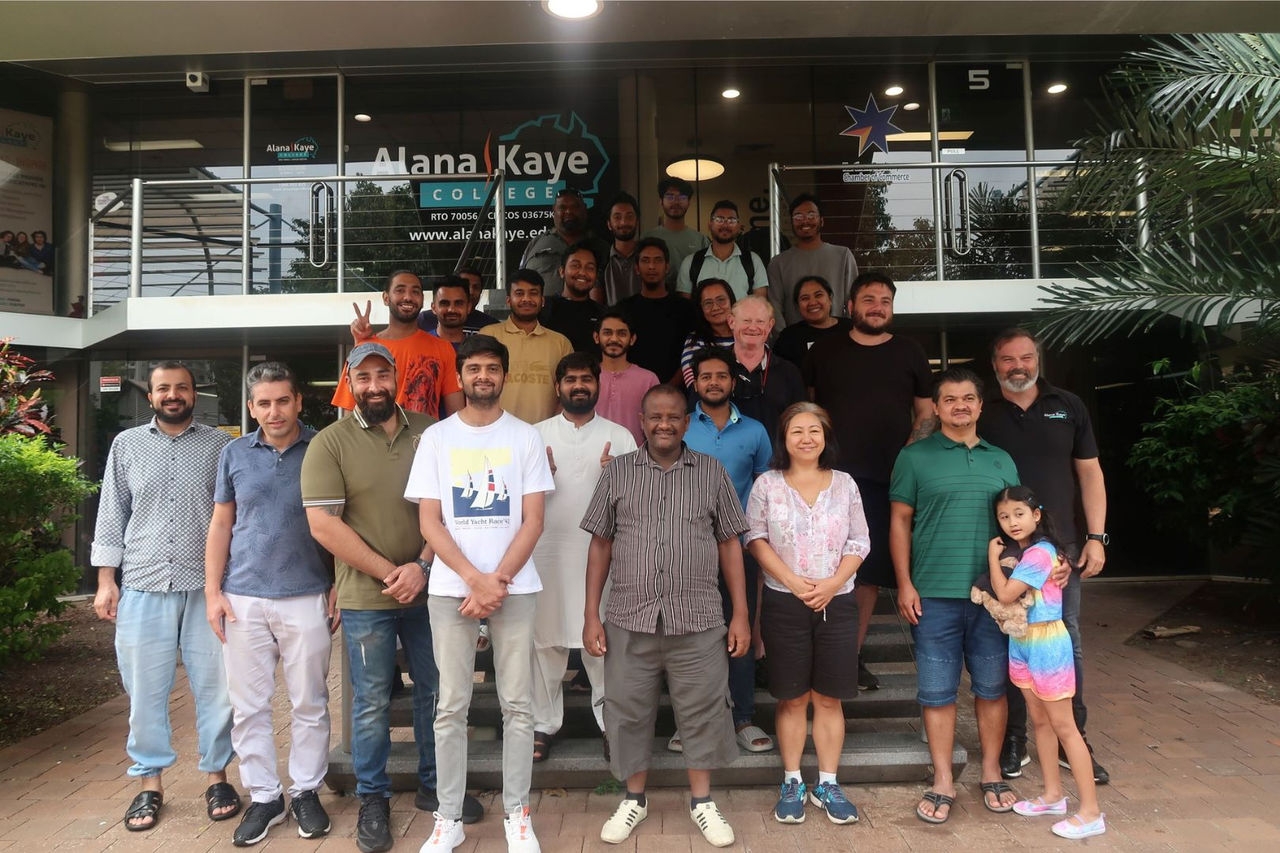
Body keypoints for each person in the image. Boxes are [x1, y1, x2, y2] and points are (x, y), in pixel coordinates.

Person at [303, 342, 482, 853]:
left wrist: (422, 566)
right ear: (350, 382)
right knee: (370, 703)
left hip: (435, 589)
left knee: (439, 693)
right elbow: (323, 524)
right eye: (364, 378)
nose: (375, 386)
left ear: (397, 377)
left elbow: (455, 504)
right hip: (365, 596)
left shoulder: (433, 431)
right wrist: (392, 573)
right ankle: (373, 799)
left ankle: (436, 787)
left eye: (383, 375)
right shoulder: (330, 443)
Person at [582, 384, 750, 849]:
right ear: (642, 419)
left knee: (703, 711)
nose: (664, 424)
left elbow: (730, 543)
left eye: (674, 416)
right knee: (628, 712)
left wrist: (740, 614)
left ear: (686, 421)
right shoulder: (617, 473)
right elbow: (600, 545)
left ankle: (702, 802)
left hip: (697, 618)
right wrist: (590, 616)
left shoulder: (711, 472)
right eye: (655, 416)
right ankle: (633, 798)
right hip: (629, 616)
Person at [406, 334, 555, 853]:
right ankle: (449, 817)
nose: (483, 376)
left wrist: (497, 583)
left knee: (519, 704)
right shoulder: (437, 439)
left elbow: (534, 520)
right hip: (452, 589)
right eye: (474, 368)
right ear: (462, 375)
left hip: (515, 587)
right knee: (451, 705)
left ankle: (518, 812)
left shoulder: (525, 438)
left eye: (492, 368)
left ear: (504, 375)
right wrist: (475, 579)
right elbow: (430, 520)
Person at [91, 361, 239, 833]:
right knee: (144, 693)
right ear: (150, 396)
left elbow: (235, 517)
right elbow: (112, 513)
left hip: (207, 588)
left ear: (196, 394)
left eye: (181, 388)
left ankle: (217, 776)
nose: (173, 395)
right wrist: (104, 580)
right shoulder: (126, 446)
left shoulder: (222, 447)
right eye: (163, 389)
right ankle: (149, 784)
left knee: (218, 689)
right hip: (141, 584)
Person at [204, 361, 336, 846]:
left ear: (299, 400)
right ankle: (264, 797)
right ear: (251, 407)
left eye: (283, 400)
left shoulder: (324, 447)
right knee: (248, 706)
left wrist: (338, 580)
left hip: (306, 592)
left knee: (309, 701)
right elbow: (221, 524)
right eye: (264, 403)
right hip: (243, 597)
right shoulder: (234, 453)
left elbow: (345, 519)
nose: (274, 411)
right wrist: (213, 592)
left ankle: (305, 790)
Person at [889, 366, 1020, 825]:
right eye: (950, 399)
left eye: (968, 398)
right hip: (934, 595)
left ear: (981, 406)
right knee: (938, 693)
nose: (960, 406)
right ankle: (943, 779)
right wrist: (904, 583)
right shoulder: (914, 458)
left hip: (992, 597)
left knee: (991, 688)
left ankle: (989, 773)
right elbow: (900, 522)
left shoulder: (1002, 459)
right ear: (937, 407)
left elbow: (1018, 526)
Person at [980, 327, 1111, 784]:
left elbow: (1090, 474)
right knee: (1013, 639)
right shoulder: (982, 411)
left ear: (1038, 360)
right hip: (1006, 551)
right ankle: (1017, 738)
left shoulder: (1068, 405)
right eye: (1008, 359)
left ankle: (1073, 735)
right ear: (994, 364)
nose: (1019, 366)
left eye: (1026, 358)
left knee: (1063, 639)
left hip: (1062, 550)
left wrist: (1097, 537)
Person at [804, 269, 935, 690]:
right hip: (827, 479)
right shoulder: (824, 352)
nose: (877, 307)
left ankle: (850, 656)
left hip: (886, 481)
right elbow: (808, 413)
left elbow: (927, 413)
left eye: (885, 301)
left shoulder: (911, 351)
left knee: (867, 574)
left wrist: (909, 458)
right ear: (850, 307)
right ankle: (811, 655)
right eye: (869, 300)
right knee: (816, 565)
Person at [746, 402, 869, 826]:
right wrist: (796, 584)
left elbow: (859, 542)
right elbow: (756, 538)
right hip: (785, 600)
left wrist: (833, 584)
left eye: (813, 430)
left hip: (838, 600)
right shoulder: (767, 484)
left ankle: (829, 783)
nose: (805, 438)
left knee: (829, 697)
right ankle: (793, 780)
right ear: (784, 438)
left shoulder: (846, 484)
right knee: (793, 697)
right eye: (796, 431)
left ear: (825, 436)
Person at [530, 353, 638, 763]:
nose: (579, 385)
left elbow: (637, 498)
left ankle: (612, 725)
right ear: (557, 387)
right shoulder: (534, 436)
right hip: (546, 554)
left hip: (602, 556)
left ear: (597, 385)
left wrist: (620, 471)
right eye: (571, 379)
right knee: (546, 642)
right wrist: (539, 473)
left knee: (603, 643)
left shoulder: (622, 436)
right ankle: (543, 724)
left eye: (586, 378)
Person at [987, 486, 1106, 840]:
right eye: (1004, 516)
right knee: (1040, 722)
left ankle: (1091, 812)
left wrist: (992, 560)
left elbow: (1006, 594)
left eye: (1019, 514)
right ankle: (1053, 795)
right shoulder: (1028, 553)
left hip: (1047, 642)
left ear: (1036, 515)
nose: (1012, 522)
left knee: (1064, 727)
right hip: (1021, 640)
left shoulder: (1040, 554)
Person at [682, 348, 774, 754]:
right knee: (690, 638)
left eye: (722, 376)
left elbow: (766, 488)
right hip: (686, 552)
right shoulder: (680, 427)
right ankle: (691, 721)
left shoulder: (755, 431)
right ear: (695, 382)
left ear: (733, 382)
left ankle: (742, 718)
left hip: (739, 548)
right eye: (706, 376)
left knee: (739, 630)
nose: (714, 383)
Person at [341, 269, 464, 419]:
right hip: (375, 441)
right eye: (400, 290)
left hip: (425, 440)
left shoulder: (443, 348)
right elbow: (349, 414)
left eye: (415, 292)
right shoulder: (363, 349)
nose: (408, 297)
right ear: (386, 298)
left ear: (422, 299)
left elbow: (456, 415)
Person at [477, 269, 573, 424]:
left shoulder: (560, 343)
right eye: (519, 293)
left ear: (542, 300)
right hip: (495, 435)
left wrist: (552, 428)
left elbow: (568, 391)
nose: (526, 299)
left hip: (544, 438)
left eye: (533, 293)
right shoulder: (488, 336)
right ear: (508, 300)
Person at [615, 237, 699, 385]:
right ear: (637, 268)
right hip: (632, 387)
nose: (652, 266)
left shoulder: (685, 309)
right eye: (645, 261)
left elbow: (693, 352)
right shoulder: (623, 309)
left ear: (667, 267)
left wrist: (670, 387)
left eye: (658, 260)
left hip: (676, 391)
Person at [766, 194, 857, 328]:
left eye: (811, 215)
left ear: (821, 220)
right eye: (798, 217)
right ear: (791, 222)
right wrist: (785, 339)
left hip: (837, 339)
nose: (805, 221)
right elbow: (774, 308)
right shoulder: (778, 263)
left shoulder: (843, 255)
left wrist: (848, 335)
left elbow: (853, 301)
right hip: (795, 341)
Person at [727, 295, 805, 441]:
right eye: (746, 321)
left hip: (775, 460)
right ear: (731, 322)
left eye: (760, 322)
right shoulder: (715, 368)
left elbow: (800, 422)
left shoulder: (789, 372)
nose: (752, 327)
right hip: (724, 460)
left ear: (770, 326)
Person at [519, 187, 607, 298]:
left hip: (587, 314)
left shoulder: (601, 247)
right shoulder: (536, 244)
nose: (569, 211)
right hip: (542, 314)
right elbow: (520, 281)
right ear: (554, 210)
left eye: (575, 207)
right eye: (562, 207)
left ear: (584, 209)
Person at [675, 200, 768, 300]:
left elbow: (760, 305)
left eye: (731, 220)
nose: (725, 225)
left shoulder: (753, 261)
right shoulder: (691, 262)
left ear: (738, 226)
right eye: (719, 220)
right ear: (710, 224)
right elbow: (685, 308)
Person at [594, 309, 659, 444]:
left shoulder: (648, 380)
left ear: (632, 339)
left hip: (635, 460)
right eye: (607, 333)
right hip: (590, 458)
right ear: (596, 337)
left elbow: (657, 426)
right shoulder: (585, 379)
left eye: (621, 333)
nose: (614, 339)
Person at [641, 177, 708, 287]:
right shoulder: (648, 237)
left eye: (682, 197)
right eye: (670, 197)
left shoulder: (701, 240)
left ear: (689, 202)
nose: (676, 202)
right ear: (661, 201)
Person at [773, 275, 853, 367]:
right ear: (797, 306)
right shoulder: (788, 337)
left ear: (830, 299)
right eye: (805, 298)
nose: (813, 302)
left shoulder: (851, 328)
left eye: (818, 295)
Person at [540, 242, 604, 353]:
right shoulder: (544, 308)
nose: (582, 272)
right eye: (575, 265)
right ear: (562, 271)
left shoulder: (603, 315)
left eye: (590, 268)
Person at [679, 278, 736, 388]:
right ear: (701, 309)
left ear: (731, 301)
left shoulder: (748, 334)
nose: (715, 307)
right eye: (708, 303)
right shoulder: (694, 340)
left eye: (721, 300)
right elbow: (693, 385)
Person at [418, 268, 499, 336]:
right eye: (466, 286)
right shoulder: (424, 319)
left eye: (476, 287)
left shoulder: (491, 325)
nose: (470, 291)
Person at [596, 191, 644, 304]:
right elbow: (596, 306)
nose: (624, 222)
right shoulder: (601, 261)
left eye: (629, 216)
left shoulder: (648, 257)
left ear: (637, 221)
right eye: (617, 217)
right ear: (609, 224)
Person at [421, 277, 473, 350]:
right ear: (433, 308)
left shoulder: (478, 350)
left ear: (469, 307)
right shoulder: (420, 345)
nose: (451, 309)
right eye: (444, 303)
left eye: (458, 303)